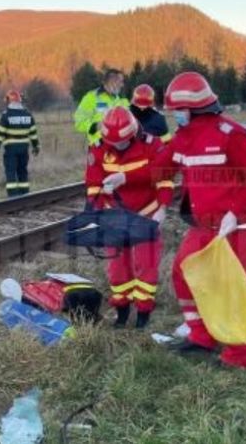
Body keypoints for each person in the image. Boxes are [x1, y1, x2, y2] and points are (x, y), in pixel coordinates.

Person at [160, 71, 246, 369]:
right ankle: (202, 335)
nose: (174, 116)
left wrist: (236, 211)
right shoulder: (184, 137)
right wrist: (124, 170)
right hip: (205, 224)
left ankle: (238, 354)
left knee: (235, 286)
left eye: (178, 110)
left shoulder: (230, 134)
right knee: (183, 272)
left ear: (193, 108)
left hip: (239, 225)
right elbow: (161, 166)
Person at [85, 107, 172, 329]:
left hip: (146, 213)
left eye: (122, 142)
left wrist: (162, 208)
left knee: (146, 265)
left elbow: (164, 176)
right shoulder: (98, 148)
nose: (117, 146)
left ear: (133, 133)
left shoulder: (152, 144)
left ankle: (143, 312)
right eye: (113, 143)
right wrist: (95, 210)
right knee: (117, 268)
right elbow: (93, 183)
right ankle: (122, 310)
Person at [0, 90, 39, 196]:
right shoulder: (28, 115)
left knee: (11, 172)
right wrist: (36, 146)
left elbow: (0, 133)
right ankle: (25, 195)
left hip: (11, 150)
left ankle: (13, 197)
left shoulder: (6, 115)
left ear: (10, 101)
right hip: (24, 149)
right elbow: (33, 133)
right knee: (23, 172)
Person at [74, 68, 129, 145]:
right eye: (120, 82)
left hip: (120, 146)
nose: (122, 85)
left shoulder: (122, 100)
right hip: (99, 146)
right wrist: (95, 126)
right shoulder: (91, 97)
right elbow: (79, 122)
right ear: (111, 81)